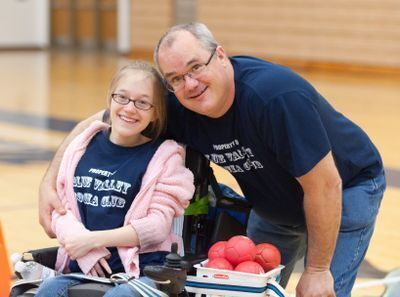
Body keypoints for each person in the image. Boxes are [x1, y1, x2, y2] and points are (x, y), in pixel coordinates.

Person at [39, 23, 386, 297]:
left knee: (319, 291)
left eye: (195, 67)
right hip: (277, 208)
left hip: (344, 192)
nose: (189, 83)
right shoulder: (183, 105)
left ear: (220, 55)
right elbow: (100, 122)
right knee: (247, 293)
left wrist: (316, 271)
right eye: (175, 78)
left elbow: (325, 185)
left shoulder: (275, 97)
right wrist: (49, 181)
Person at [35, 61, 194, 297]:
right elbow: (61, 209)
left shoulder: (165, 157)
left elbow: (157, 227)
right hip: (82, 268)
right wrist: (85, 250)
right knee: (48, 290)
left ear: (155, 112)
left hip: (144, 273)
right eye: (122, 97)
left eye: (142, 103)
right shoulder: (81, 146)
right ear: (110, 100)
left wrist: (91, 241)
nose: (130, 108)